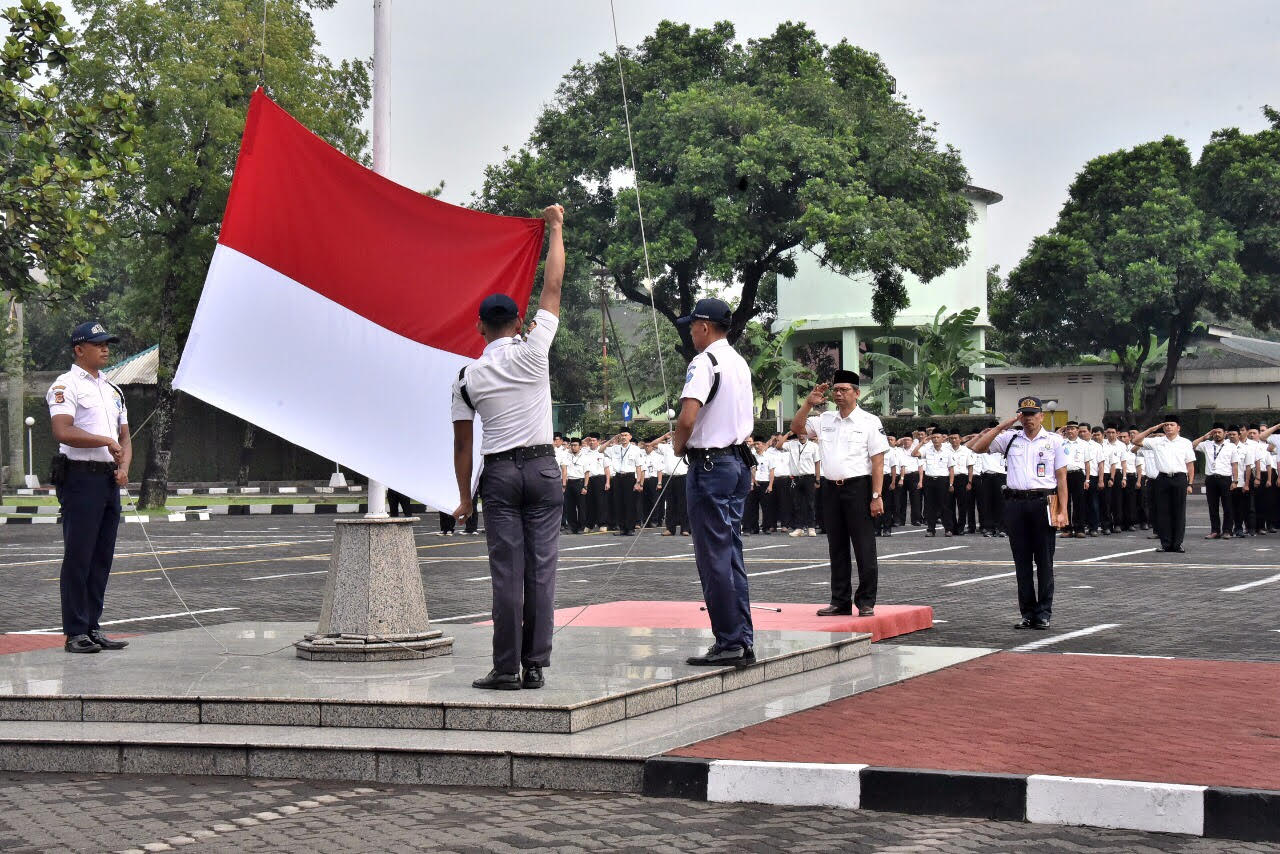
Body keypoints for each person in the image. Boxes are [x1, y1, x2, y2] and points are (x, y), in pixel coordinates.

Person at [450, 202, 564, 691]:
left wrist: (463, 497)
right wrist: (555, 229)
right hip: (541, 470)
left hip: (497, 474)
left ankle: (505, 668)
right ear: (519, 322)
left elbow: (462, 444)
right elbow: (553, 287)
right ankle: (535, 664)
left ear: (480, 328)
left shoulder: (466, 377)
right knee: (541, 572)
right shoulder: (535, 351)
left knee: (506, 575)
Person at [672, 297, 755, 666]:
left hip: (710, 466)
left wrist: (678, 445)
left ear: (705, 327)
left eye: (693, 325)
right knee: (731, 552)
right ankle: (742, 636)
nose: (690, 331)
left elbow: (688, 417)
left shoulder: (704, 362)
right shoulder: (738, 362)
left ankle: (729, 641)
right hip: (737, 463)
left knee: (714, 558)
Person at [47, 321, 132, 654]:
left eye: (107, 343)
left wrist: (124, 467)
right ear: (79, 349)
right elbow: (62, 431)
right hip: (80, 478)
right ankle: (75, 631)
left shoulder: (113, 389)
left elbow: (124, 436)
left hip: (108, 479)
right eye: (98, 344)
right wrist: (103, 441)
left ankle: (93, 625)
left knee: (101, 557)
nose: (105, 348)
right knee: (79, 555)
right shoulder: (66, 385)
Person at [792, 371, 889, 617]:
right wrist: (808, 403)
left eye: (844, 389)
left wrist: (876, 496)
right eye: (835, 390)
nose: (838, 394)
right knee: (836, 547)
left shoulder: (869, 421)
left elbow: (877, 462)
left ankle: (866, 601)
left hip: (858, 487)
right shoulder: (825, 419)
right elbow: (796, 428)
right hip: (830, 488)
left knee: (864, 546)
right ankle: (840, 601)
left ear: (857, 393)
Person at [967, 396, 1068, 630]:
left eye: (1033, 414)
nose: (1028, 419)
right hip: (1015, 503)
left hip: (1044, 501)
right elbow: (977, 447)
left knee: (1044, 562)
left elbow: (1062, 478)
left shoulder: (1053, 441)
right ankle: (1027, 613)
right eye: (1024, 414)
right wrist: (1003, 425)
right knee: (1021, 563)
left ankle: (1043, 613)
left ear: (1042, 416)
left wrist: (1062, 511)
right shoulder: (1010, 438)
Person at [1130, 416, 1196, 553]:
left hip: (1179, 478)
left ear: (1178, 427)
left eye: (1171, 425)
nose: (1168, 427)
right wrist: (1152, 429)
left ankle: (1177, 544)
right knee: (1163, 511)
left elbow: (1190, 465)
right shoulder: (1157, 442)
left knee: (1179, 512)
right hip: (1162, 479)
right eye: (1166, 425)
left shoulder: (1185, 443)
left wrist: (1190, 483)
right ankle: (1165, 543)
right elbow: (1135, 440)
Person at [1193, 424, 1236, 539]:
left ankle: (1227, 530)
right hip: (1211, 479)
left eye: (1219, 432)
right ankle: (1215, 531)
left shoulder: (1231, 446)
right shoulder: (1207, 444)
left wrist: (1235, 481)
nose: (1217, 434)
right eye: (1215, 432)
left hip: (1225, 479)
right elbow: (1192, 445)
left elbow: (1234, 464)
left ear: (1225, 433)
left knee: (1227, 506)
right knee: (1213, 506)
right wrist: (1204, 437)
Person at [913, 431, 955, 536]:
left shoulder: (947, 451)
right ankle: (931, 529)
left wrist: (951, 484)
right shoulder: (927, 450)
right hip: (929, 480)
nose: (935, 439)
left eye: (938, 437)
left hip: (943, 480)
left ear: (942, 439)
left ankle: (948, 529)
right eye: (934, 437)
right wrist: (922, 443)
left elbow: (951, 469)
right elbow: (914, 454)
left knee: (944, 505)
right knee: (930, 506)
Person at [785, 431, 820, 537]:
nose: (801, 435)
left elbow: (817, 462)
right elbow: (778, 445)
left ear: (807, 435)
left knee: (810, 503)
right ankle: (799, 527)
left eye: (803, 433)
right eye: (799, 433)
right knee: (797, 503)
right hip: (796, 477)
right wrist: (788, 434)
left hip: (808, 477)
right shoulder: (792, 444)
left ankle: (811, 527)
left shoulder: (813, 446)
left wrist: (817, 479)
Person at [562, 437, 587, 535]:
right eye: (572, 445)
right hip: (569, 482)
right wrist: (564, 484)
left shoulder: (584, 456)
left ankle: (581, 526)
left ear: (580, 446)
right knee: (570, 506)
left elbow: (587, 473)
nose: (573, 447)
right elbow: (564, 470)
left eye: (575, 445)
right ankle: (572, 527)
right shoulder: (566, 455)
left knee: (581, 506)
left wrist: (585, 486)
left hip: (580, 482)